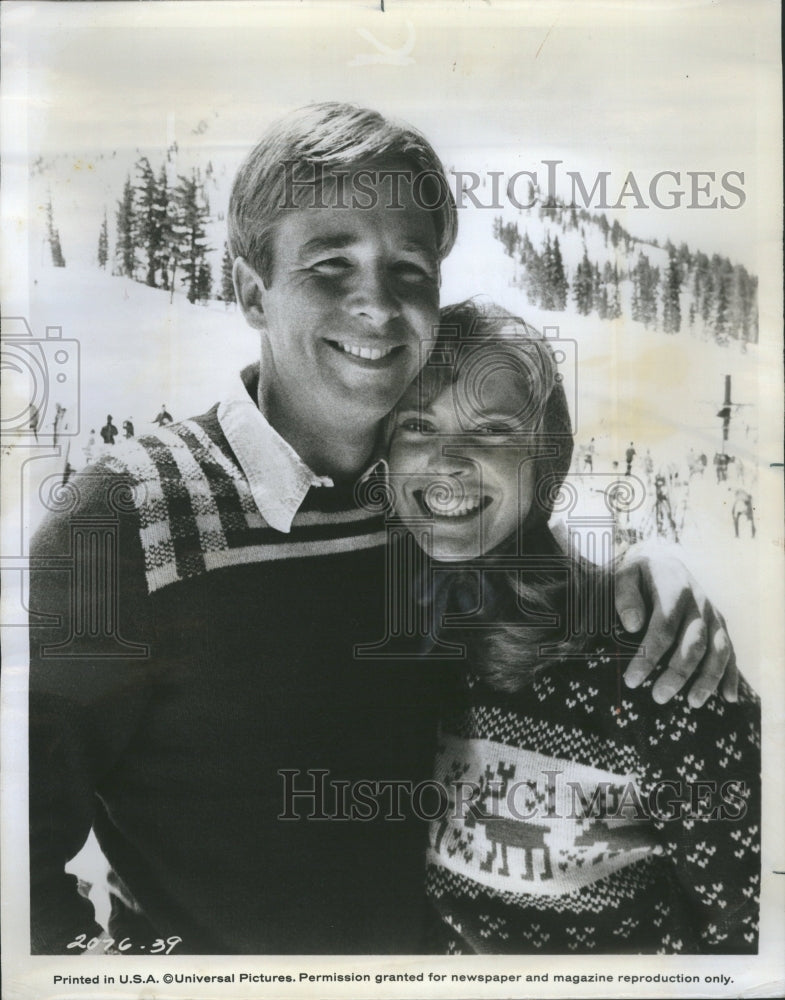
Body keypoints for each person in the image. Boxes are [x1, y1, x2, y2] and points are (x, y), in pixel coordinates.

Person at [29, 102, 738, 956]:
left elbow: (529, 572)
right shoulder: (121, 522)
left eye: (409, 269)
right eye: (331, 264)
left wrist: (645, 569)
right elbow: (24, 865)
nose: (377, 304)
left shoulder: (417, 504)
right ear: (253, 291)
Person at [386, 301, 760, 954]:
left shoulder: (656, 662)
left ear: (545, 457)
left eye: (492, 430)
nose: (446, 461)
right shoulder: (392, 634)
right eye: (417, 424)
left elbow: (747, 932)